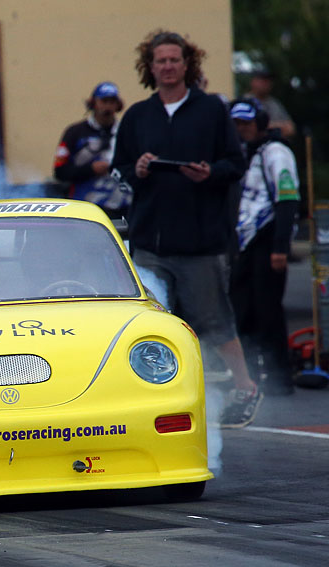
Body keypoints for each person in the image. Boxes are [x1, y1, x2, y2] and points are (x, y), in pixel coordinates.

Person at [111, 30, 259, 428]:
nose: (168, 66)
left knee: (213, 321)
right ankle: (157, 395)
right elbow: (119, 170)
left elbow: (235, 164)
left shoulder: (211, 110)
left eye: (174, 59)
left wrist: (210, 173)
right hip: (150, 244)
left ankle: (245, 387)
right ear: (150, 66)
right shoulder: (137, 116)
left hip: (201, 243)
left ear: (187, 64)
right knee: (150, 324)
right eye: (160, 60)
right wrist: (137, 170)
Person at [228, 98, 300, 395]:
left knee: (268, 310)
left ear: (259, 122)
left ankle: (280, 378)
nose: (241, 128)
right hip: (244, 242)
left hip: (268, 240)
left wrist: (280, 248)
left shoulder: (276, 152)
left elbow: (288, 199)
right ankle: (252, 375)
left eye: (246, 123)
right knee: (242, 309)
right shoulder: (243, 153)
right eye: (236, 123)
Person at [53, 82, 131, 218]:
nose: (107, 107)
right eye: (104, 101)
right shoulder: (75, 133)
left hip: (121, 207)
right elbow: (60, 171)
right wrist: (91, 169)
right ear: (94, 103)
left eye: (112, 102)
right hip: (84, 209)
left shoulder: (127, 132)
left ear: (118, 105)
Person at [248, 70, 295, 141]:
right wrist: (278, 127)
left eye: (268, 81)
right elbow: (248, 130)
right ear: (253, 82)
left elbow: (290, 129)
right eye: (262, 80)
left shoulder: (274, 103)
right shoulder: (245, 102)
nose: (266, 83)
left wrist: (264, 128)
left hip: (274, 144)